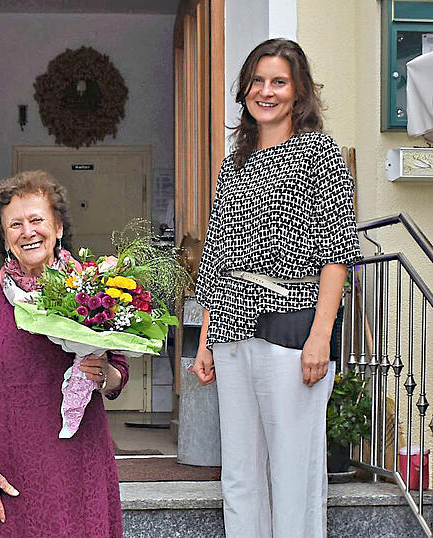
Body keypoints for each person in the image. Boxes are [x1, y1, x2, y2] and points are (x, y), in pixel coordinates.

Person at [192, 38, 361, 538]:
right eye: (257, 81)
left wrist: (320, 337)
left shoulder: (320, 155)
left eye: (279, 82)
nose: (266, 91)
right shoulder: (235, 164)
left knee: (293, 473)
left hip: (292, 325)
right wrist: (205, 338)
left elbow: (337, 255)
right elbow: (217, 255)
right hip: (230, 327)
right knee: (240, 475)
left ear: (299, 90)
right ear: (245, 89)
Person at [0, 170, 130, 537]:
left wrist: (103, 373)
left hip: (78, 458)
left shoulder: (92, 289)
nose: (28, 231)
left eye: (37, 220)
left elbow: (117, 374)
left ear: (59, 228)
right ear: (5, 238)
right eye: (15, 224)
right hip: (10, 464)